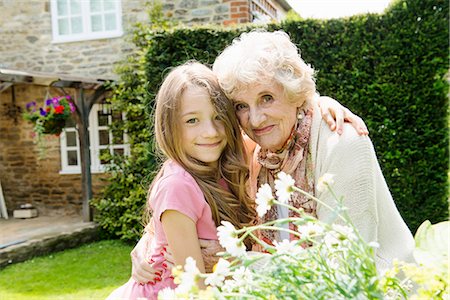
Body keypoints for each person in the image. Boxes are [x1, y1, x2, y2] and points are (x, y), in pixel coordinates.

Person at [211, 30, 415, 272]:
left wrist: (241, 264)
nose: (255, 120)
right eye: (241, 106)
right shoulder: (258, 154)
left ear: (294, 93)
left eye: (266, 98)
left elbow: (346, 264)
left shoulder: (343, 143)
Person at [107, 61, 256, 300]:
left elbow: (281, 127)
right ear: (170, 127)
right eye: (192, 121)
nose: (210, 131)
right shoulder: (178, 185)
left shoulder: (226, 164)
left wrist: (320, 105)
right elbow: (195, 288)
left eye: (218, 117)